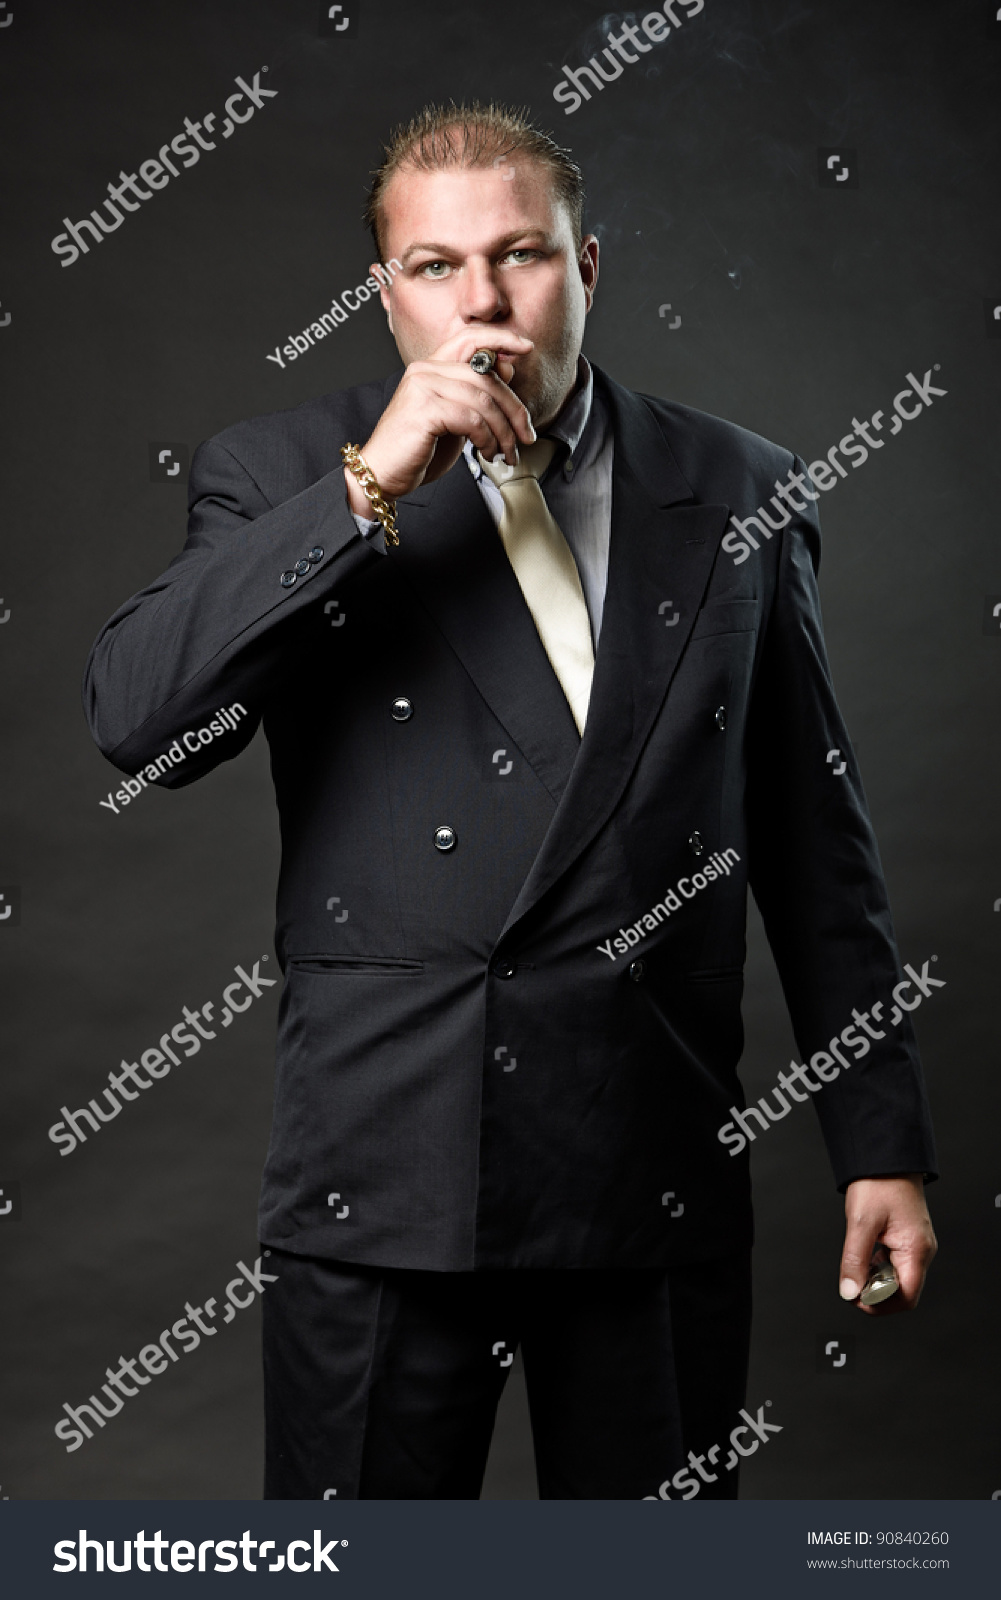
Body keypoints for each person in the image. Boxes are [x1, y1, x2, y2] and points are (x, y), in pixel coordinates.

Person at [83, 102, 938, 1501]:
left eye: (520, 255)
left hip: (645, 1151)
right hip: (384, 1165)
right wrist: (369, 487)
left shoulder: (739, 486)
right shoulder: (280, 472)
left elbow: (811, 841)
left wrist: (878, 1144)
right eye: (435, 267)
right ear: (386, 295)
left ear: (584, 269)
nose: (483, 301)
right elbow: (142, 726)